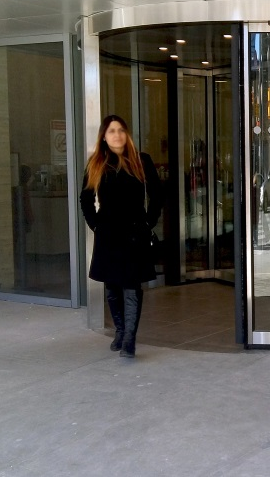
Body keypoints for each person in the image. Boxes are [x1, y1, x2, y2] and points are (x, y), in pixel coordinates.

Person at [80, 115, 162, 358]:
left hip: (134, 234)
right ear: (104, 137)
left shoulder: (141, 160)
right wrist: (96, 225)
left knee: (131, 286)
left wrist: (148, 222)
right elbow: (85, 199)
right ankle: (120, 330)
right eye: (111, 131)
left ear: (126, 134)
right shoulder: (96, 164)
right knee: (112, 286)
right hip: (108, 234)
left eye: (121, 130)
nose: (117, 135)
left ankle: (129, 340)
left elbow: (157, 195)